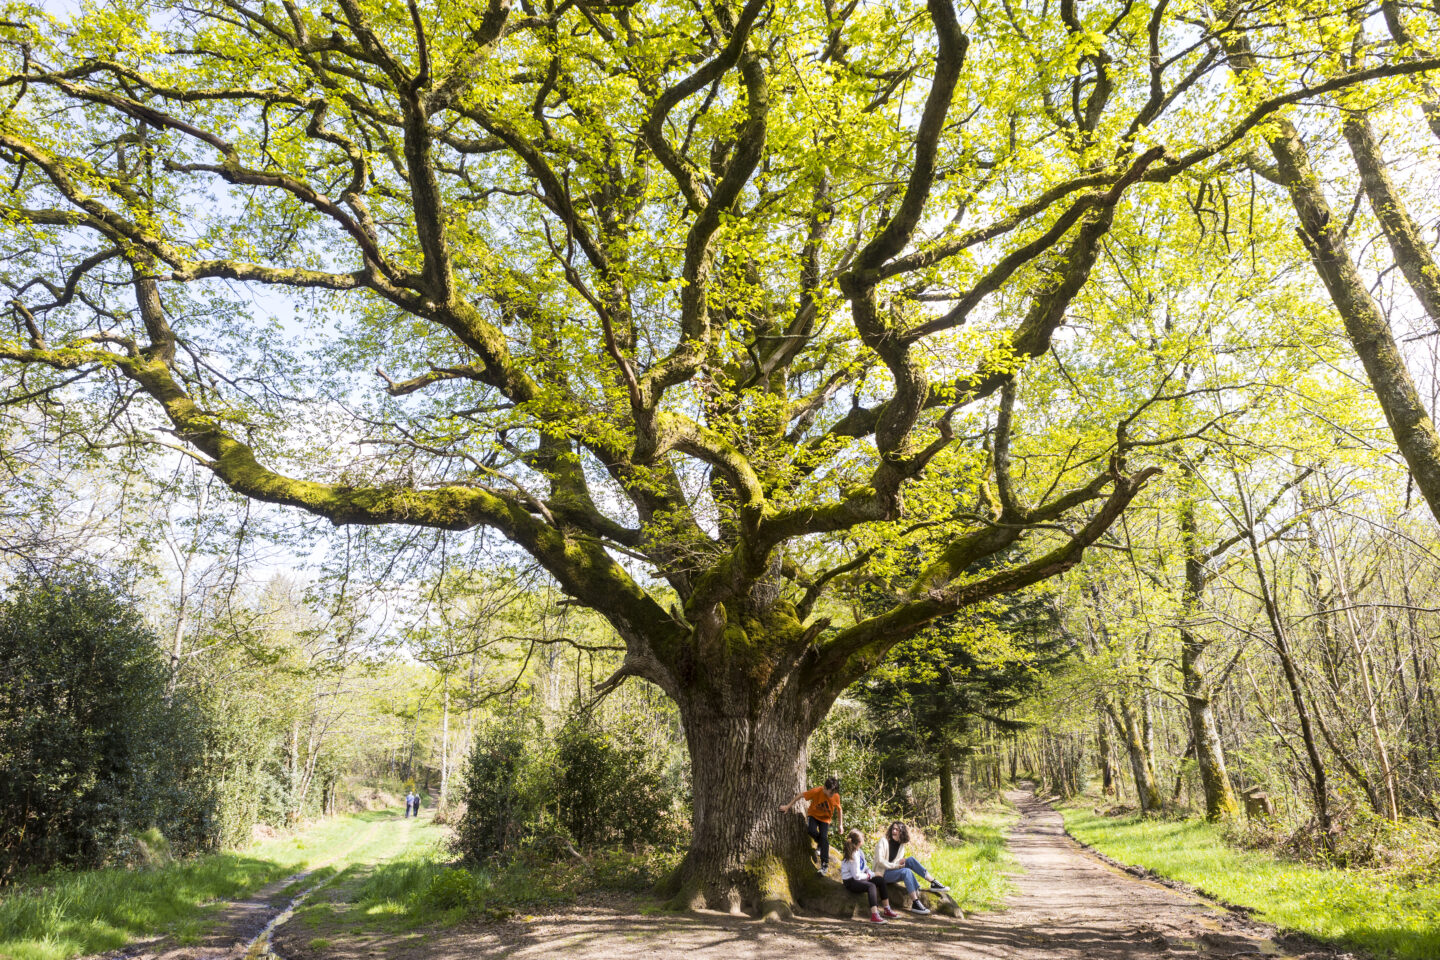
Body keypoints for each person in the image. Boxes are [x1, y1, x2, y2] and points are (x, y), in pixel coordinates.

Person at [873, 821, 948, 914]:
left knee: (911, 860)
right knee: (906, 871)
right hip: (882, 874)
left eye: (897, 829)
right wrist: (896, 865)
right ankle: (915, 903)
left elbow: (895, 862)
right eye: (893, 828)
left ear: (902, 832)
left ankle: (933, 882)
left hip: (892, 870)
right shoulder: (883, 841)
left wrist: (899, 862)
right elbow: (880, 861)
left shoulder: (901, 845)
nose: (894, 831)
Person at [780, 776, 841, 874]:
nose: (832, 795)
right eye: (831, 792)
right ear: (824, 788)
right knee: (811, 831)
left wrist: (840, 825)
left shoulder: (835, 796)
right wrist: (788, 806)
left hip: (825, 819)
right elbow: (800, 796)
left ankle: (824, 865)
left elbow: (839, 810)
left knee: (824, 838)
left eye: (834, 793)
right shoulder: (817, 791)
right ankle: (821, 844)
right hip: (813, 815)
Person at [840, 828, 898, 923]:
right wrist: (872, 874)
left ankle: (887, 909)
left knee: (880, 880)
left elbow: (865, 866)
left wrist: (872, 874)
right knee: (871, 886)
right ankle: (874, 915)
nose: (864, 840)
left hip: (859, 878)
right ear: (859, 842)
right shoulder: (853, 855)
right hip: (850, 881)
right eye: (862, 838)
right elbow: (857, 876)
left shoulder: (859, 852)